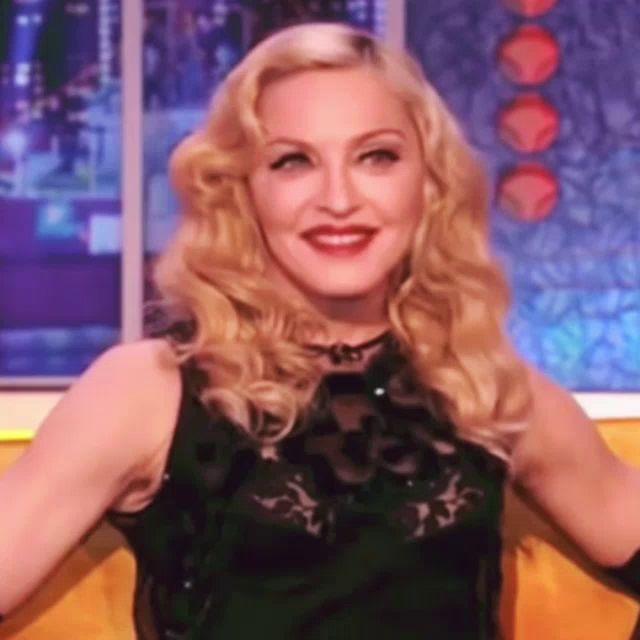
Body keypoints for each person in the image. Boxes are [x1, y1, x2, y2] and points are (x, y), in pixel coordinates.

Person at [1, 21, 639, 639]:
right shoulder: (148, 390)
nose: (338, 200)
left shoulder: (483, 385)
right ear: (243, 191)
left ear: (429, 183)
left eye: (376, 157)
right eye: (292, 162)